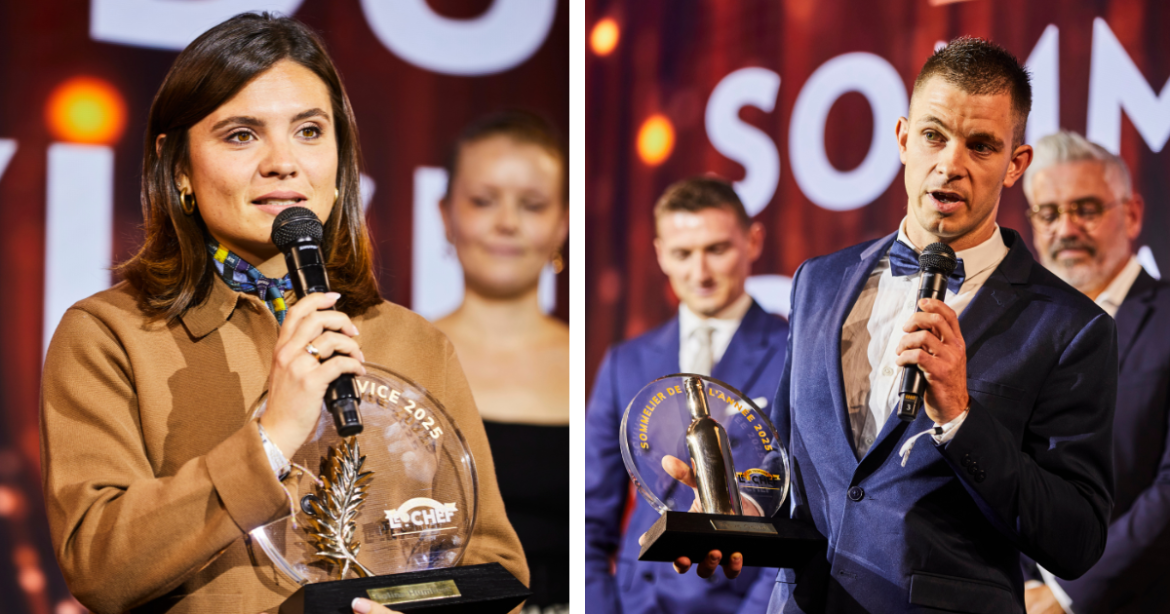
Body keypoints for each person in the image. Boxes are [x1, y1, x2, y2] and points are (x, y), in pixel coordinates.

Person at [38, 13, 526, 614]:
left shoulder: (413, 341)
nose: (284, 163)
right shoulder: (110, 335)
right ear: (179, 167)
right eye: (241, 134)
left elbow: (494, 568)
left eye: (309, 131)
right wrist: (271, 440)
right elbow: (99, 566)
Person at [662, 38, 1117, 613]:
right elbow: (787, 464)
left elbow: (1076, 539)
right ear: (903, 139)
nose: (950, 164)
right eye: (933, 136)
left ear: (1014, 165)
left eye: (980, 146)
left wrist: (960, 416)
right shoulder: (818, 282)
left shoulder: (1072, 329)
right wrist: (739, 512)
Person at [586, 176, 788, 614]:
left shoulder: (795, 351)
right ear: (660, 254)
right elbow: (588, 514)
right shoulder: (626, 361)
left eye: (717, 249)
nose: (700, 272)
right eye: (683, 253)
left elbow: (803, 510)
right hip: (635, 601)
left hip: (741, 598)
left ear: (753, 242)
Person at [1020, 130, 1170, 614]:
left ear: (1131, 214)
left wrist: (1067, 595)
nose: (1066, 229)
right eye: (1049, 213)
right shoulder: (1018, 332)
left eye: (1085, 209)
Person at [433, 110, 569, 613]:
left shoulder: (598, 366)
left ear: (563, 223)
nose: (507, 222)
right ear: (444, 214)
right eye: (483, 201)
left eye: (532, 205)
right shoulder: (391, 355)